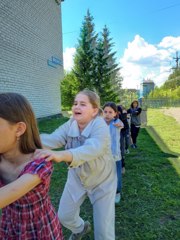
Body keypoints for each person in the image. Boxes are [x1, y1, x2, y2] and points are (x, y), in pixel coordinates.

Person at [34, 90, 117, 240]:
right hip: (77, 178)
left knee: (104, 231)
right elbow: (53, 139)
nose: (76, 106)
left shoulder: (100, 126)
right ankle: (80, 228)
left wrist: (62, 155)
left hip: (102, 181)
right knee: (64, 216)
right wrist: (24, 141)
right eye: (75, 103)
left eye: (83, 104)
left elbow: (92, 149)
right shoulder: (71, 123)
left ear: (94, 111)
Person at [0, 93, 63, 239]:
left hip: (40, 230)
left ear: (19, 129)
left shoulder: (40, 163)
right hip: (9, 226)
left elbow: (14, 189)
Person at [102, 102, 124, 203]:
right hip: (102, 156)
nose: (107, 114)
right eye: (105, 111)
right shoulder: (100, 123)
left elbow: (121, 124)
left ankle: (117, 192)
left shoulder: (116, 122)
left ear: (115, 113)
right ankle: (105, 191)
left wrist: (120, 124)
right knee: (104, 175)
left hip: (115, 156)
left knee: (117, 176)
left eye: (110, 112)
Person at [117, 105, 130, 174]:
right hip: (119, 132)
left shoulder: (123, 114)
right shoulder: (114, 117)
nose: (118, 112)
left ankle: (126, 149)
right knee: (121, 146)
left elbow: (123, 119)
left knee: (126, 143)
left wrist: (120, 114)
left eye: (119, 111)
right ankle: (122, 165)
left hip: (125, 130)